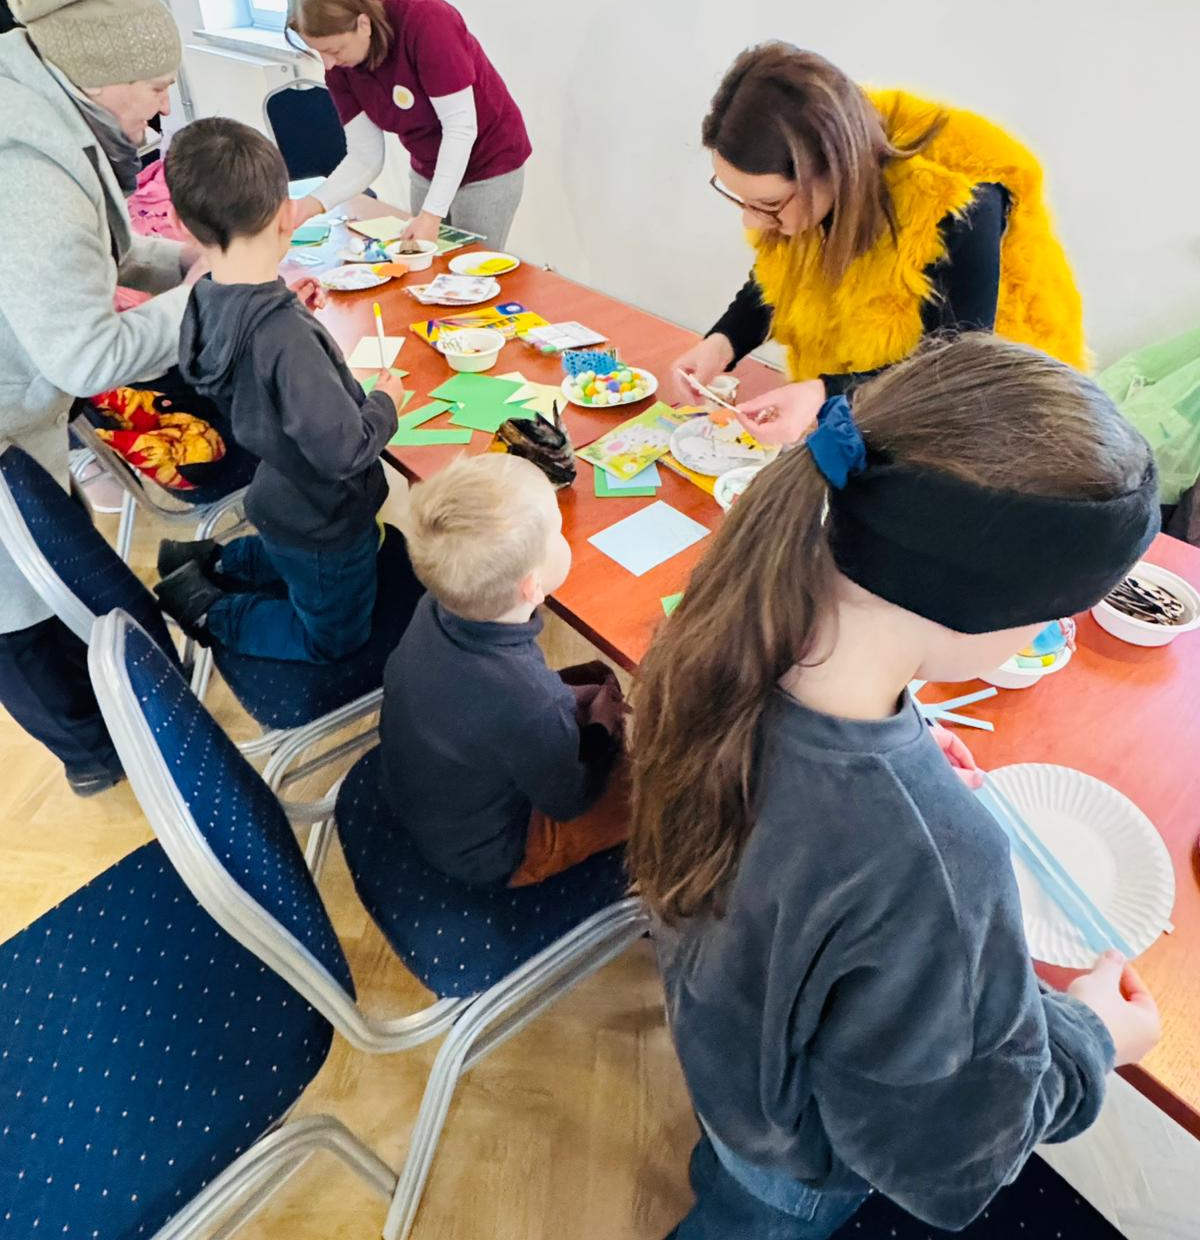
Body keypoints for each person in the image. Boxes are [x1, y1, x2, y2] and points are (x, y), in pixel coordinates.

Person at [631, 334, 1162, 1239]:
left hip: (730, 1072)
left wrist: (906, 742)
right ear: (987, 612)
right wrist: (1089, 1041)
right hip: (796, 1163)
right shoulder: (939, 861)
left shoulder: (715, 643)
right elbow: (942, 1160)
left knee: (730, 1183)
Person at [668, 44, 1086, 446]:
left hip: (994, 421)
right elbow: (782, 278)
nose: (752, 221)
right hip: (883, 400)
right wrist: (722, 343)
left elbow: (954, 376)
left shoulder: (960, 205)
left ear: (834, 170)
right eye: (742, 201)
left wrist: (824, 393)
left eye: (769, 205)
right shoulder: (823, 185)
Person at [0, 0, 189, 795]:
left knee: (57, 561)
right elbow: (85, 355)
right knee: (17, 600)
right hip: (15, 405)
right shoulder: (27, 172)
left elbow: (95, 251)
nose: (162, 107)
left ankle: (107, 718)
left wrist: (179, 264)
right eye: (155, 86)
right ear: (102, 75)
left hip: (22, 405)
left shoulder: (44, 98)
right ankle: (94, 756)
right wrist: (210, 299)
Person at [154, 117, 409, 663]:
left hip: (281, 494)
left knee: (293, 557)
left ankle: (213, 560)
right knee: (333, 637)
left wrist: (284, 303)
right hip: (323, 519)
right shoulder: (284, 338)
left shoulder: (207, 296)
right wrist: (386, 402)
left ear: (180, 225)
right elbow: (345, 451)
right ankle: (210, 609)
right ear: (287, 215)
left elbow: (250, 353)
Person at [379, 453, 628, 886]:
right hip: (489, 852)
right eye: (558, 530)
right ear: (532, 586)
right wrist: (601, 732)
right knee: (662, 791)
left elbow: (492, 702)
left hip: (429, 796)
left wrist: (564, 704)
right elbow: (569, 801)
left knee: (591, 678)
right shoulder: (529, 701)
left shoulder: (435, 607)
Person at [285, 0, 532, 250]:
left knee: (469, 267)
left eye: (334, 50)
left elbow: (460, 128)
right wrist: (308, 205)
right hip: (428, 165)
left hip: (487, 160)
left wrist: (431, 214)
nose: (329, 64)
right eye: (319, 52)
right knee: (423, 261)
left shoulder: (426, 20)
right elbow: (365, 157)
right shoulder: (341, 68)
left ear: (363, 24)